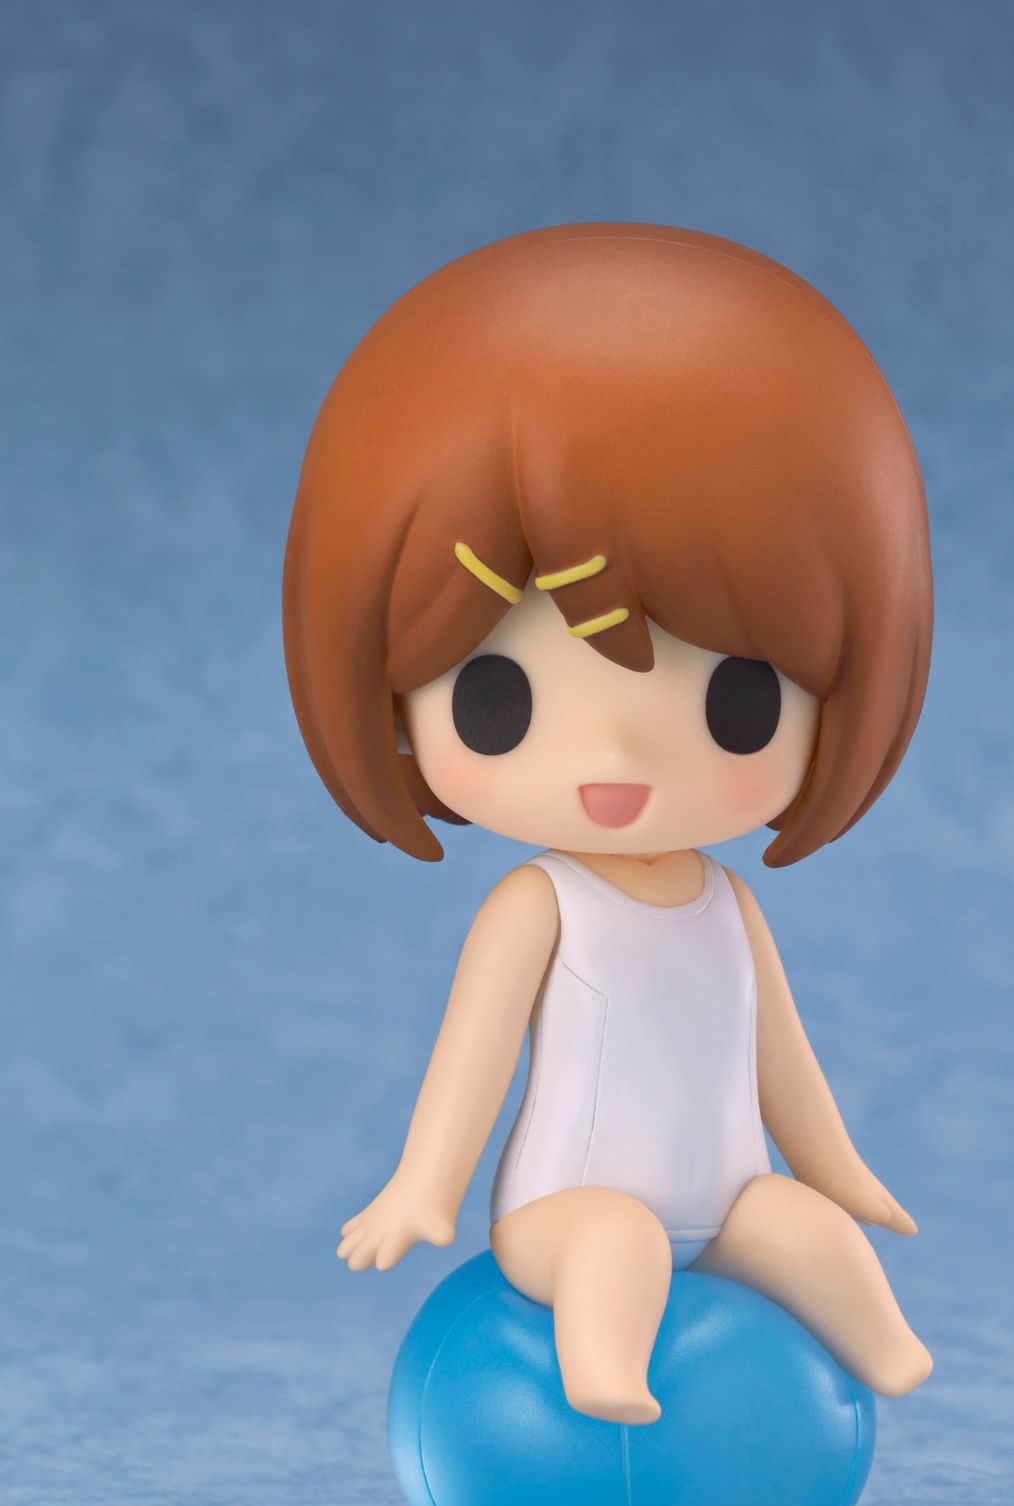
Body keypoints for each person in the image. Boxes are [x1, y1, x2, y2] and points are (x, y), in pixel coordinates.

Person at [284, 223, 935, 1423]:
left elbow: (781, 1059)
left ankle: (891, 1355)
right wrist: (425, 1186)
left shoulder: (727, 905)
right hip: (568, 1212)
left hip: (727, 1195)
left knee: (806, 1233)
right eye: (499, 698)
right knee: (617, 1249)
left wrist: (834, 1166)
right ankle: (602, 1380)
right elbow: (474, 1059)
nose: (616, 758)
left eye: (737, 700)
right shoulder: (539, 906)